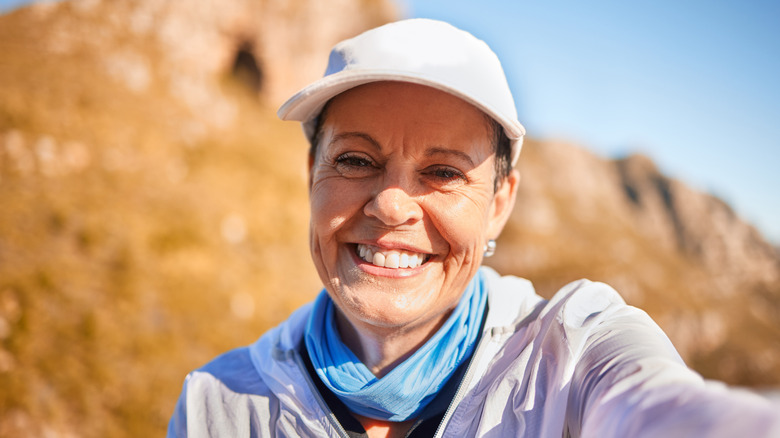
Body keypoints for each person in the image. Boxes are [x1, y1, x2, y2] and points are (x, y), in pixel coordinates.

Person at [167, 18, 780, 438]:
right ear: (311, 174)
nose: (392, 206)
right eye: (355, 160)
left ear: (499, 204)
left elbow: (664, 410)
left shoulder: (571, 354)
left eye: (442, 172)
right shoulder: (216, 408)